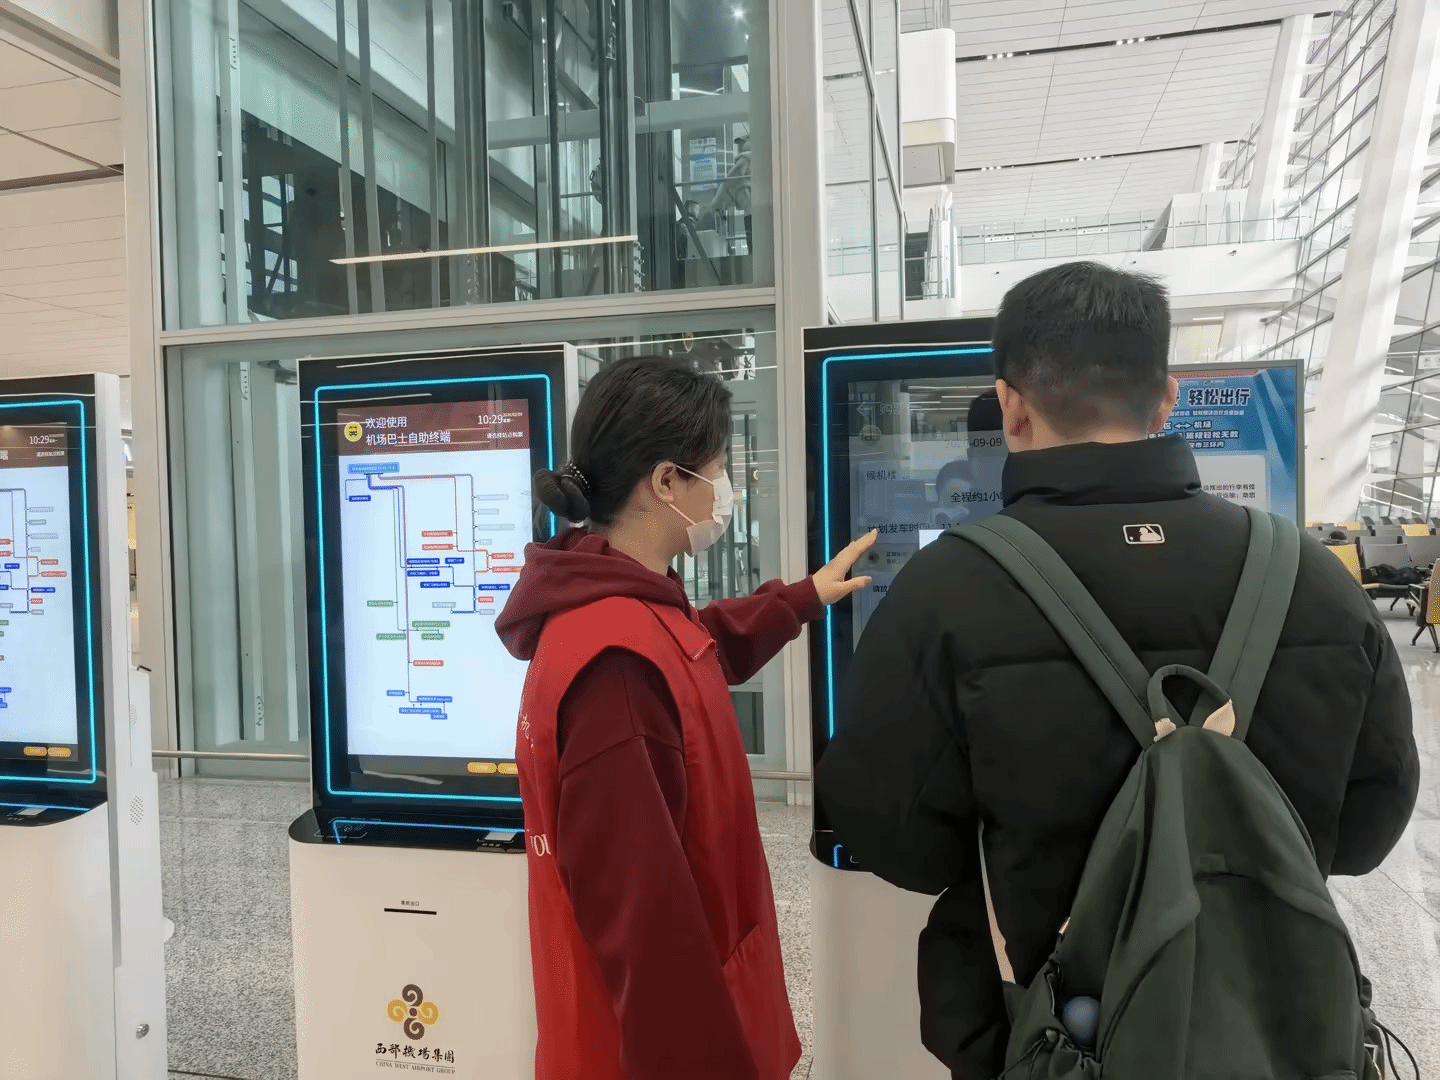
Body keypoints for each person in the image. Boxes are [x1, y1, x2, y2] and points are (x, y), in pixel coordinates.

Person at [815, 261, 1420, 1080]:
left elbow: (896, 839)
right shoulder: (1311, 576)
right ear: (1166, 399)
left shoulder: (944, 589)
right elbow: (1370, 825)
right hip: (1281, 1032)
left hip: (1065, 1036)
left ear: (1010, 405)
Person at [496, 355, 875, 1080]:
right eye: (719, 469)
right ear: (666, 481)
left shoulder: (622, 607)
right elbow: (647, 931)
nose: (726, 491)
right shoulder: (614, 667)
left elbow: (696, 646)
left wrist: (800, 599)